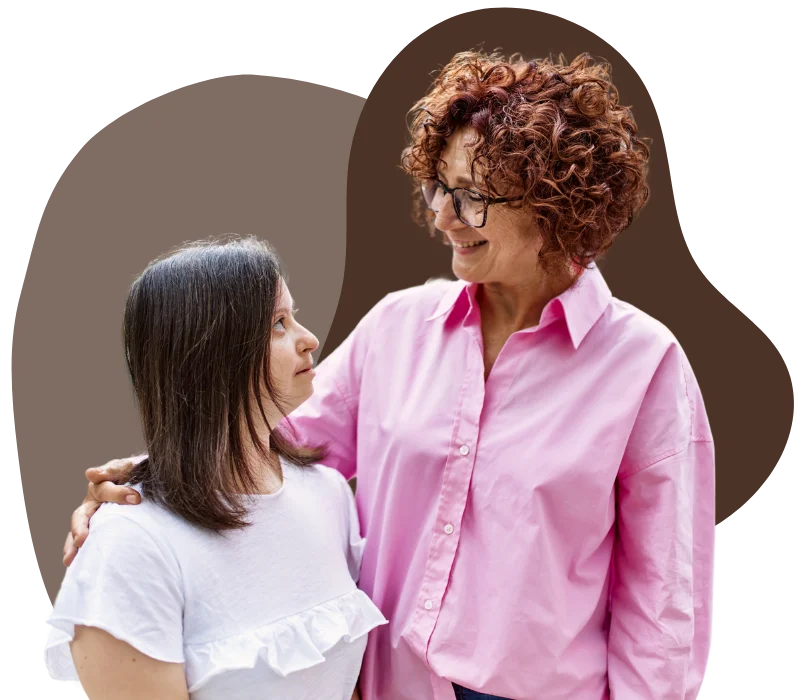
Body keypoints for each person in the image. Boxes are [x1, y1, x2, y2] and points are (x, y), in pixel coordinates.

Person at [62, 50, 715, 699]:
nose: (442, 216)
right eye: (439, 188)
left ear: (553, 204)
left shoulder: (644, 366)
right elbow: (267, 436)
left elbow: (666, 606)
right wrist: (146, 486)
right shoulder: (398, 328)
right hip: (390, 688)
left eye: (471, 198)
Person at [44, 237, 388, 699]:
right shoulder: (131, 543)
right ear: (214, 354)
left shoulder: (327, 494)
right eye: (279, 325)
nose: (310, 339)